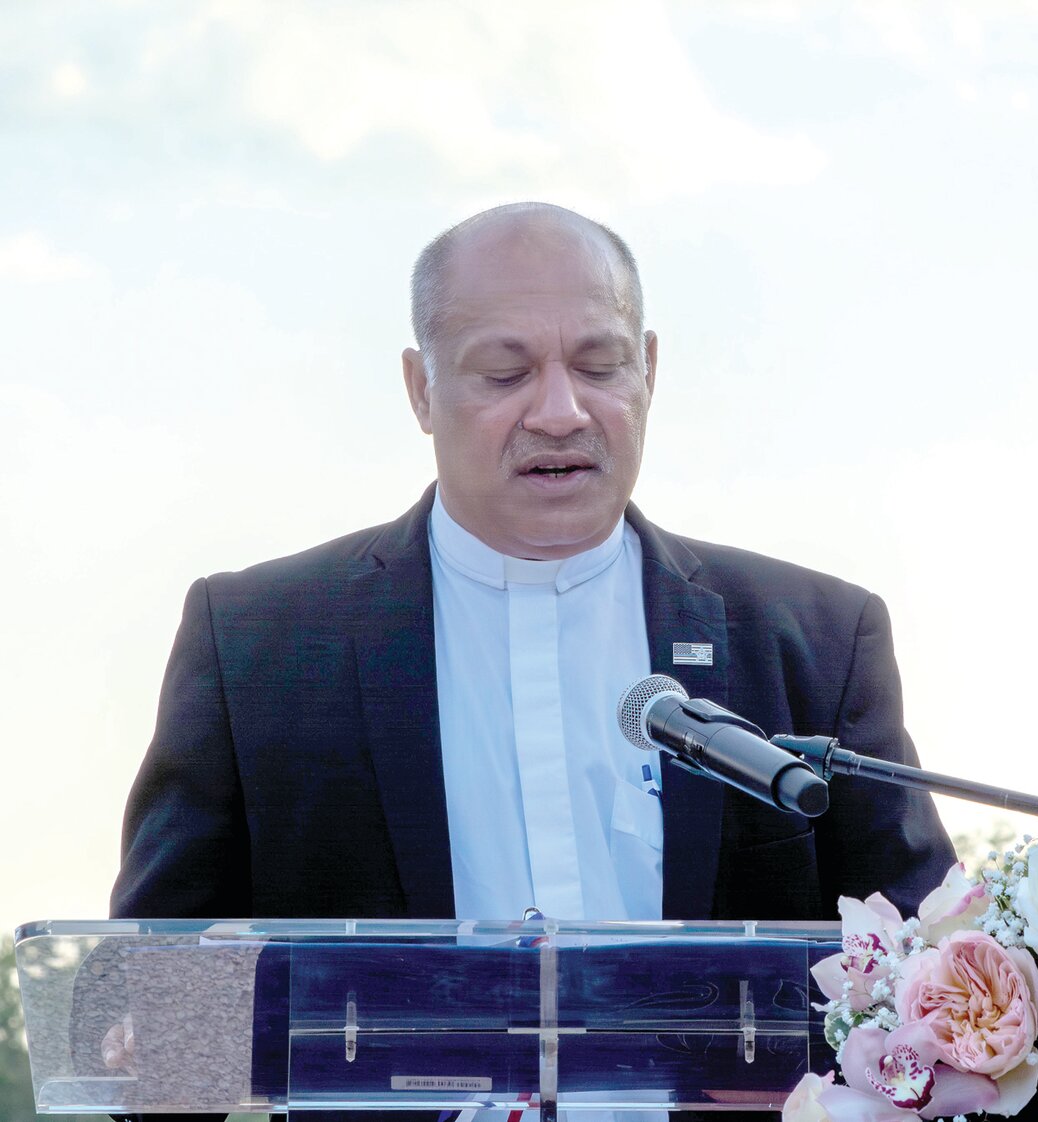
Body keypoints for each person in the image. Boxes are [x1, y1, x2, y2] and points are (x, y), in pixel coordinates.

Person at [109, 203, 957, 1118]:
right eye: (505, 373)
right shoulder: (259, 643)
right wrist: (172, 1037)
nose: (560, 412)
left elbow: (933, 974)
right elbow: (142, 1004)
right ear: (421, 389)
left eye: (600, 366)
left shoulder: (816, 636)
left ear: (651, 370)